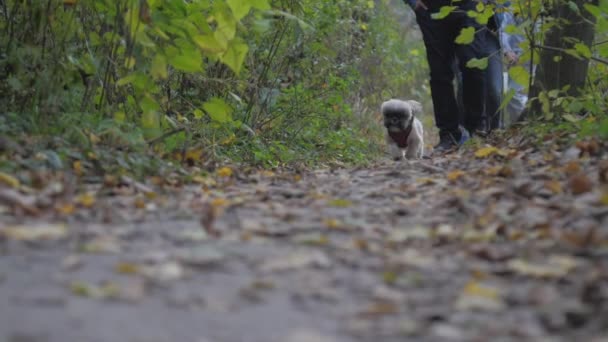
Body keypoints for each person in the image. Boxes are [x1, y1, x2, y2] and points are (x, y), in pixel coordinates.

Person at [405, 0, 491, 153]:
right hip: (431, 8)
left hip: (470, 5)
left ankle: (476, 129)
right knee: (440, 72)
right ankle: (448, 135)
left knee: (472, 63)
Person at [499, 7, 531, 125]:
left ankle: (528, 124)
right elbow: (504, 32)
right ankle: (521, 125)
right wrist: (508, 51)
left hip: (540, 60)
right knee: (511, 96)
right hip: (517, 60)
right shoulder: (514, 9)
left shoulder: (546, 8)